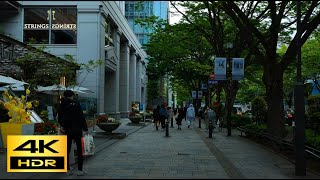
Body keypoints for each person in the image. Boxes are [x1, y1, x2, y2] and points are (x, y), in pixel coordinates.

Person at [58, 90, 88, 176]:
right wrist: (85, 128)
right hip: (77, 129)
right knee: (79, 149)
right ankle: (80, 169)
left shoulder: (62, 105)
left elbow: (60, 117)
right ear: (71, 96)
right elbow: (81, 116)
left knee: (67, 149)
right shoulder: (76, 104)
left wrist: (63, 126)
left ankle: (67, 169)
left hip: (67, 129)